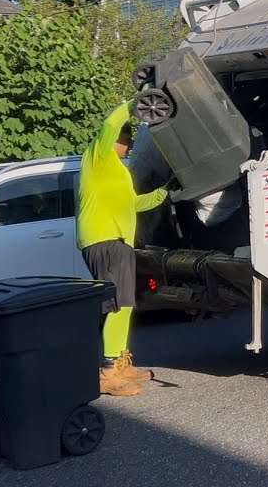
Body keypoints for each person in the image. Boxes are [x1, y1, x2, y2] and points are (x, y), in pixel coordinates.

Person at [78, 102, 171, 397]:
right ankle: (107, 373)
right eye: (127, 139)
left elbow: (134, 204)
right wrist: (132, 106)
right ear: (115, 140)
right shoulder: (98, 155)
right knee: (118, 305)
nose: (129, 145)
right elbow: (109, 125)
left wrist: (166, 192)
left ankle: (120, 361)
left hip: (118, 241)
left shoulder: (117, 171)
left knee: (126, 304)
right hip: (104, 239)